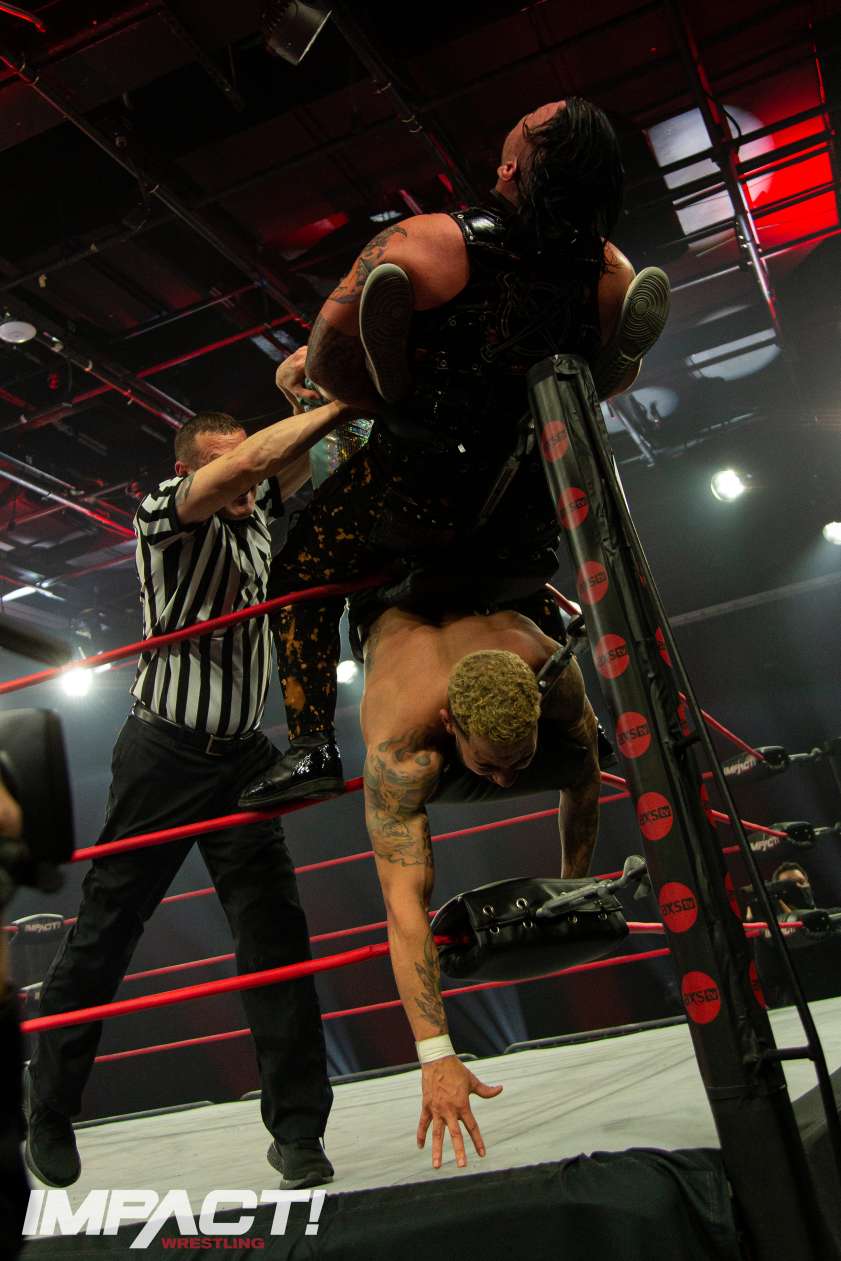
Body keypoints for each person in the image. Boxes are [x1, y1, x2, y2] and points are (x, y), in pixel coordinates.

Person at [240, 96, 668, 809]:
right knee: (518, 581)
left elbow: (325, 360)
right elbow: (589, 395)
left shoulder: (430, 240)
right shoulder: (612, 272)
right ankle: (585, 727)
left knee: (299, 574)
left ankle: (311, 747)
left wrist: (383, 399)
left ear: (508, 168)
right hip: (525, 500)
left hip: (418, 483)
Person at [24, 391, 357, 1193]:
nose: (244, 476)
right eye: (223, 464)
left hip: (241, 758)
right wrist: (348, 399)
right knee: (108, 927)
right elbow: (254, 461)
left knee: (275, 938)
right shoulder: (163, 514)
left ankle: (298, 1130)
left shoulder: (255, 513)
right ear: (186, 471)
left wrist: (323, 387)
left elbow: (286, 454)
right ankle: (48, 1107)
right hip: (163, 753)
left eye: (245, 461)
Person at [357, 596, 603, 1170]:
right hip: (389, 612)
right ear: (450, 724)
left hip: (488, 603)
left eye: (517, 763)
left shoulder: (555, 675)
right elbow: (403, 905)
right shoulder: (402, 745)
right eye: (489, 766)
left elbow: (585, 779)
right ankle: (310, 744)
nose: (504, 781)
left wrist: (570, 893)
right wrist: (435, 1054)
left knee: (583, 751)